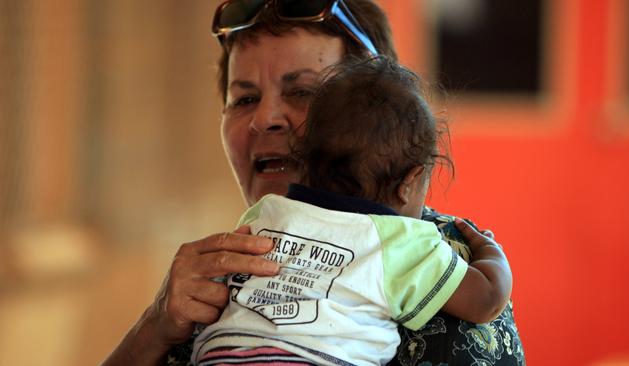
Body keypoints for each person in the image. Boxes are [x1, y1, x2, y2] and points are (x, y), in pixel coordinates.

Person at [101, 1, 525, 365]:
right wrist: (153, 330)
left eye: (305, 92)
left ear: (379, 116)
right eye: (244, 99)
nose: (265, 118)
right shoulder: (211, 272)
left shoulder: (438, 264)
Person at [191, 55, 513, 366]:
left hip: (221, 351)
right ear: (410, 181)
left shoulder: (265, 212)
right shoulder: (400, 242)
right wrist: (490, 250)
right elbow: (485, 300)